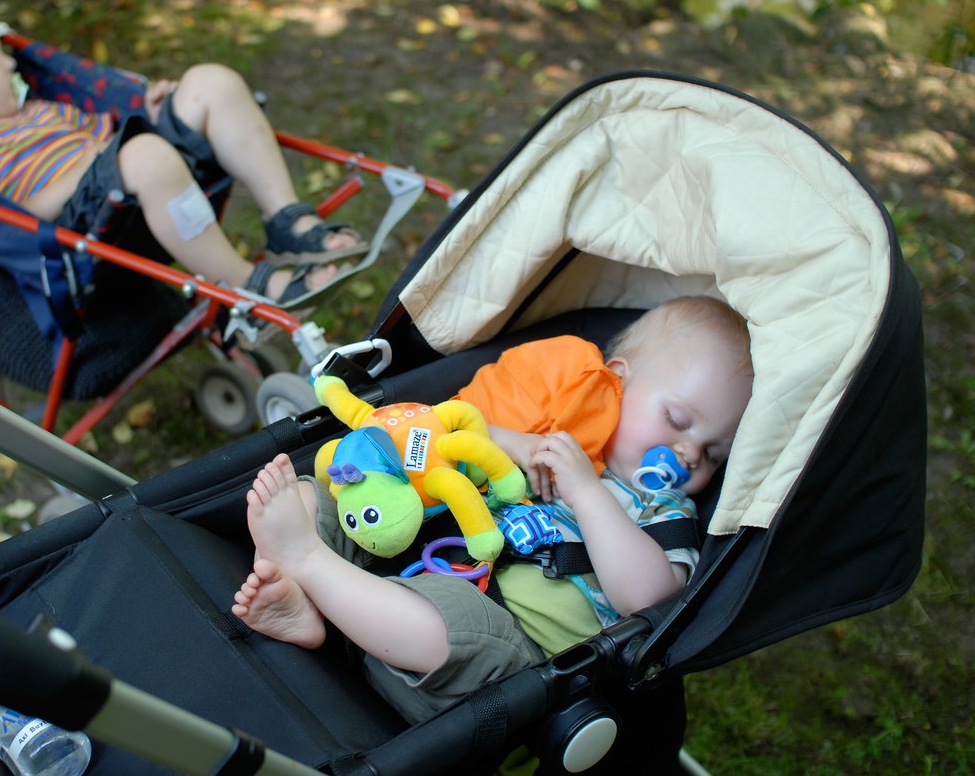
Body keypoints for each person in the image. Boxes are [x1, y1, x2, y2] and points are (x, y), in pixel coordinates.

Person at [231, 296, 753, 722]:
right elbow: (456, 434)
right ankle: (308, 605)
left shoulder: (662, 506)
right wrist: (518, 444)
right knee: (322, 493)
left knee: (448, 627)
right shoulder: (555, 431)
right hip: (416, 558)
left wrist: (590, 495)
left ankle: (306, 565)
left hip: (509, 650)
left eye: (713, 453)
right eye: (678, 420)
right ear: (615, 379)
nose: (688, 454)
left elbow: (651, 599)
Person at [0, 2, 364, 303]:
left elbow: (115, 134)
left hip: (141, 173)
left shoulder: (41, 111)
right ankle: (249, 286)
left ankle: (287, 220)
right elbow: (9, 219)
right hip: (89, 228)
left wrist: (152, 109)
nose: (9, 59)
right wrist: (101, 165)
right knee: (144, 155)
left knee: (210, 82)